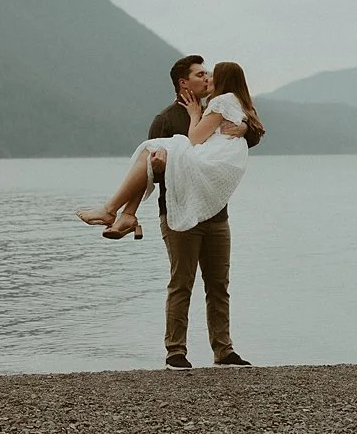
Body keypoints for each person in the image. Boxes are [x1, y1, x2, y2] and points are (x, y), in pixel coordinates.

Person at [76, 56, 263, 370]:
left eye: (208, 73)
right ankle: (175, 351)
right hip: (177, 211)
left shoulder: (217, 107)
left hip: (216, 215)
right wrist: (160, 168)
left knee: (219, 285)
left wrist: (244, 128)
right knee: (181, 283)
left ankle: (224, 350)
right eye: (200, 74)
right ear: (183, 83)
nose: (207, 78)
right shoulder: (165, 119)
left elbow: (251, 132)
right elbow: (149, 173)